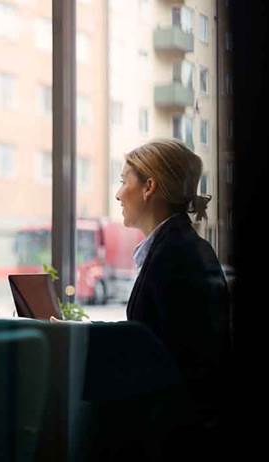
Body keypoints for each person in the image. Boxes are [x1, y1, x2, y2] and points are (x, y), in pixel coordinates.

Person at [115, 138, 231, 455]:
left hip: (177, 437)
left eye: (124, 181)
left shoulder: (176, 256)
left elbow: (173, 359)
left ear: (149, 186)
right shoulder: (178, 246)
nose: (118, 193)